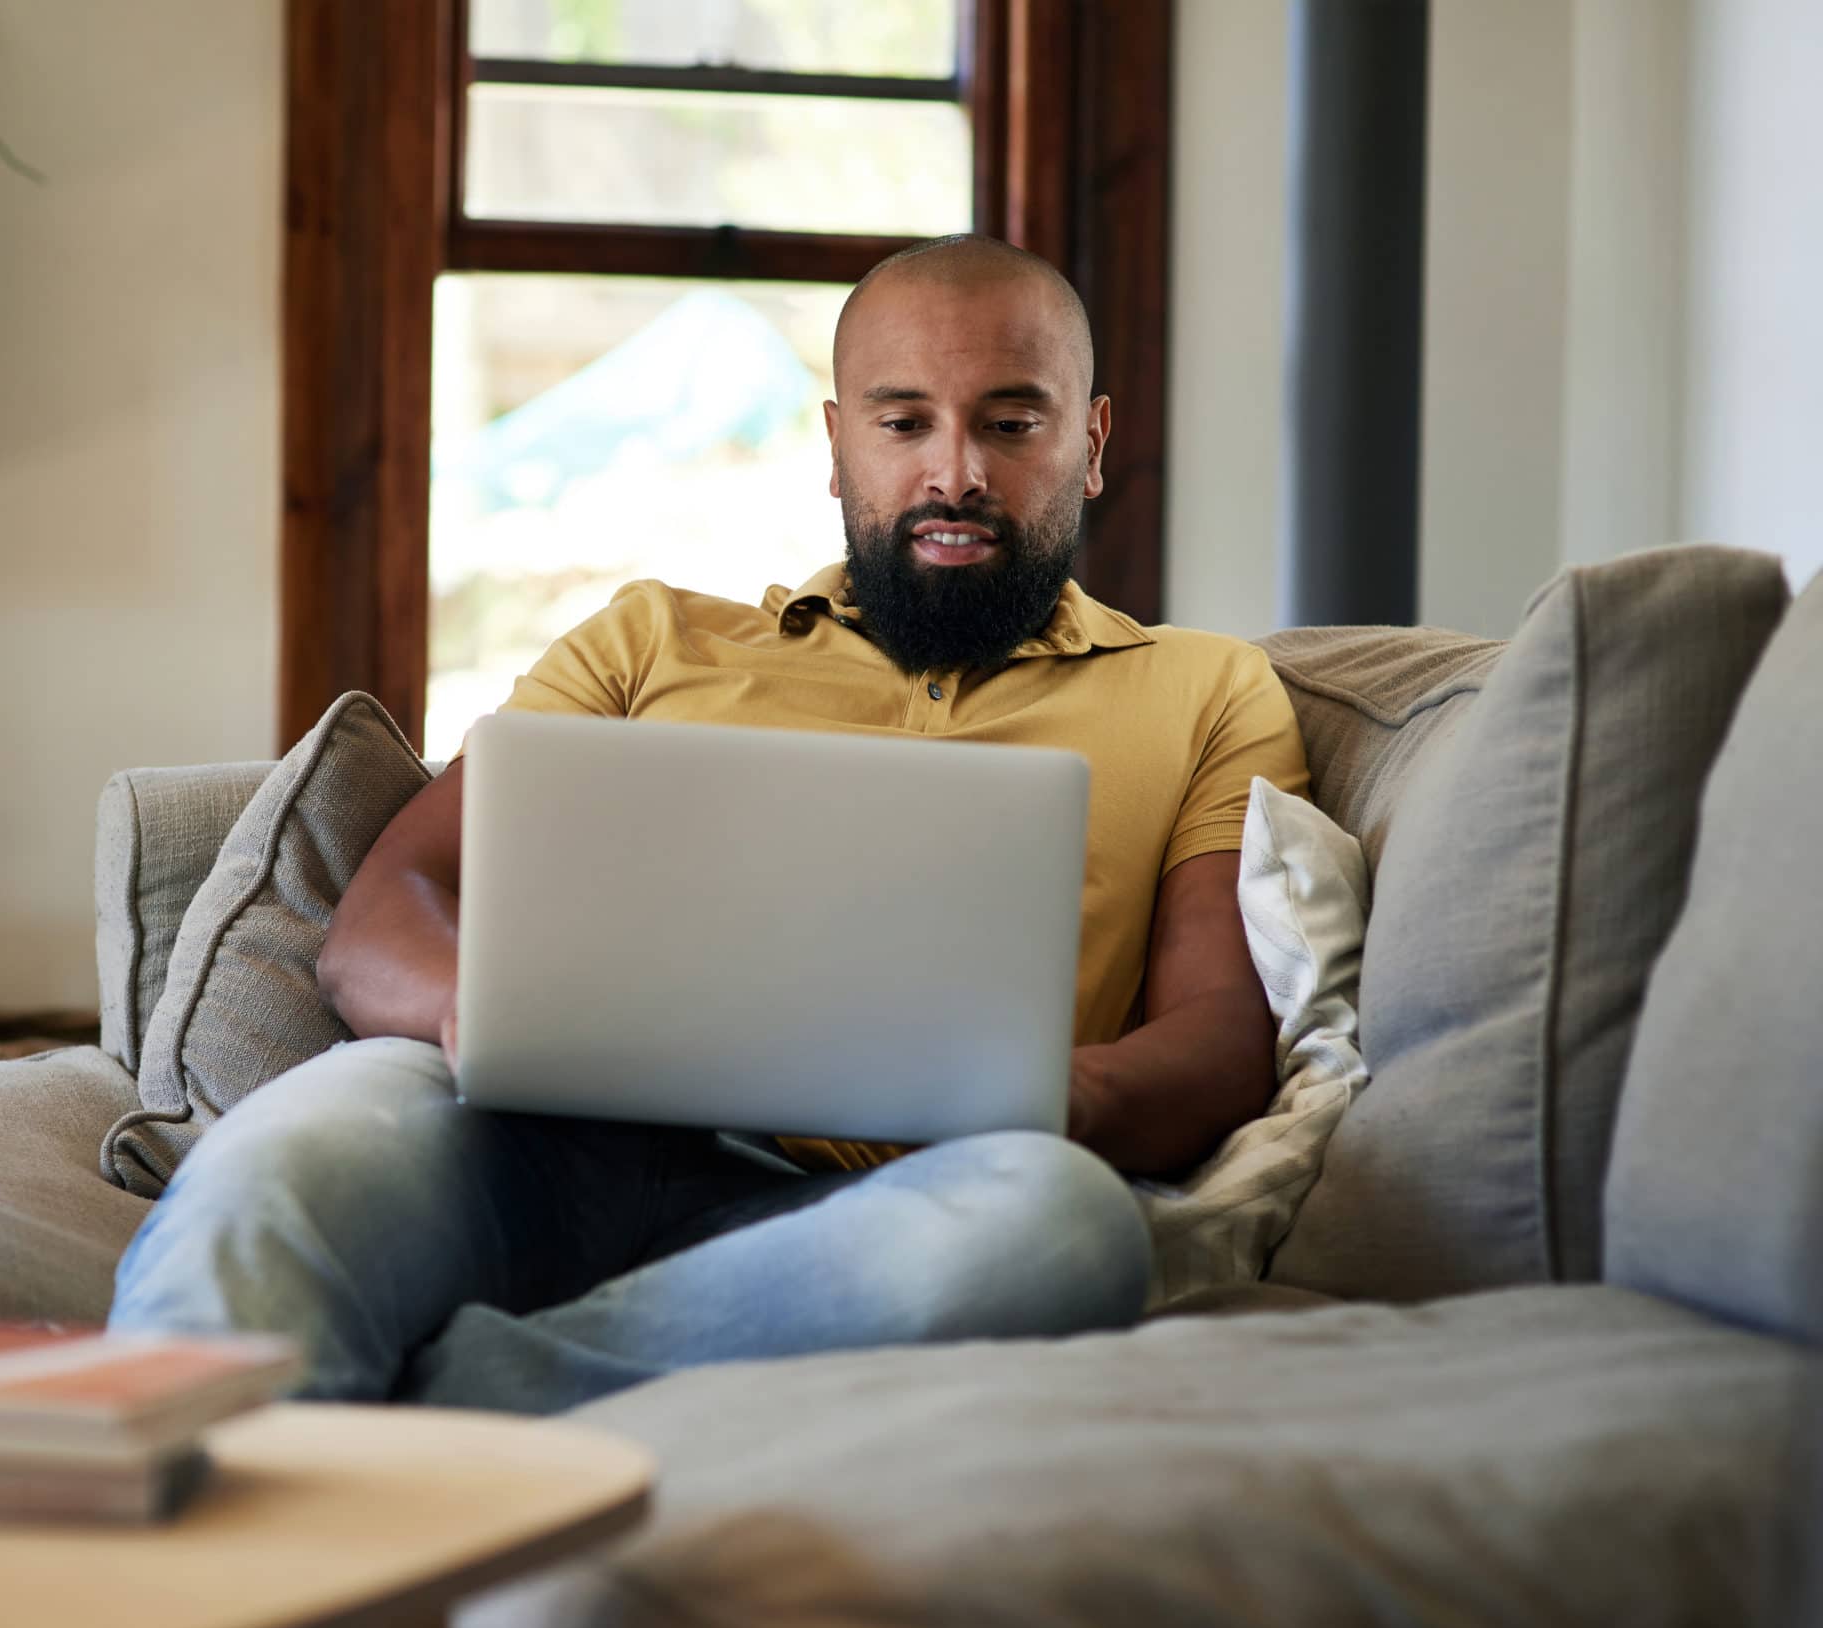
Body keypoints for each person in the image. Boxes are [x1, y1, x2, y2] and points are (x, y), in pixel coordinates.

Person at [109, 234, 1310, 1414]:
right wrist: (468, 1007)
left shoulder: (1207, 690)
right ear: (835, 444)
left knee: (1064, 1222)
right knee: (303, 1140)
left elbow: (1218, 1031)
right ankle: (136, 1494)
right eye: (902, 424)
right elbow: (380, 915)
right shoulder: (647, 645)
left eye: (1011, 422)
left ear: (1089, 443)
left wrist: (1064, 1097)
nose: (957, 475)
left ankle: (444, 1429)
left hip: (906, 1209)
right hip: (550, 1146)